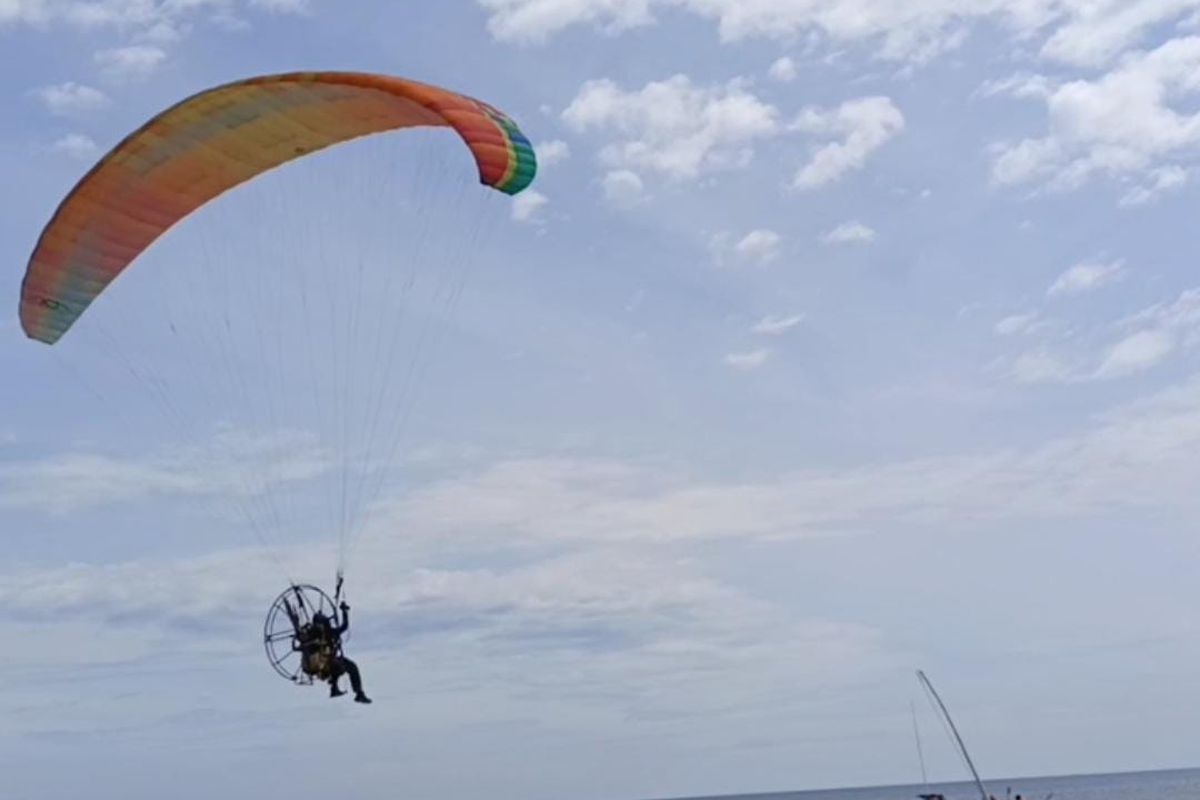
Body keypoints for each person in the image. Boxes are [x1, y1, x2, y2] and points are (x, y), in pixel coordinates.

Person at [292, 600, 371, 704]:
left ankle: (357, 693)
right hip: (316, 665)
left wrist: (344, 611)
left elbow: (344, 626)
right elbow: (301, 642)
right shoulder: (311, 635)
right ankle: (336, 688)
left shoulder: (330, 632)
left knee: (350, 666)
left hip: (326, 663)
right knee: (337, 665)